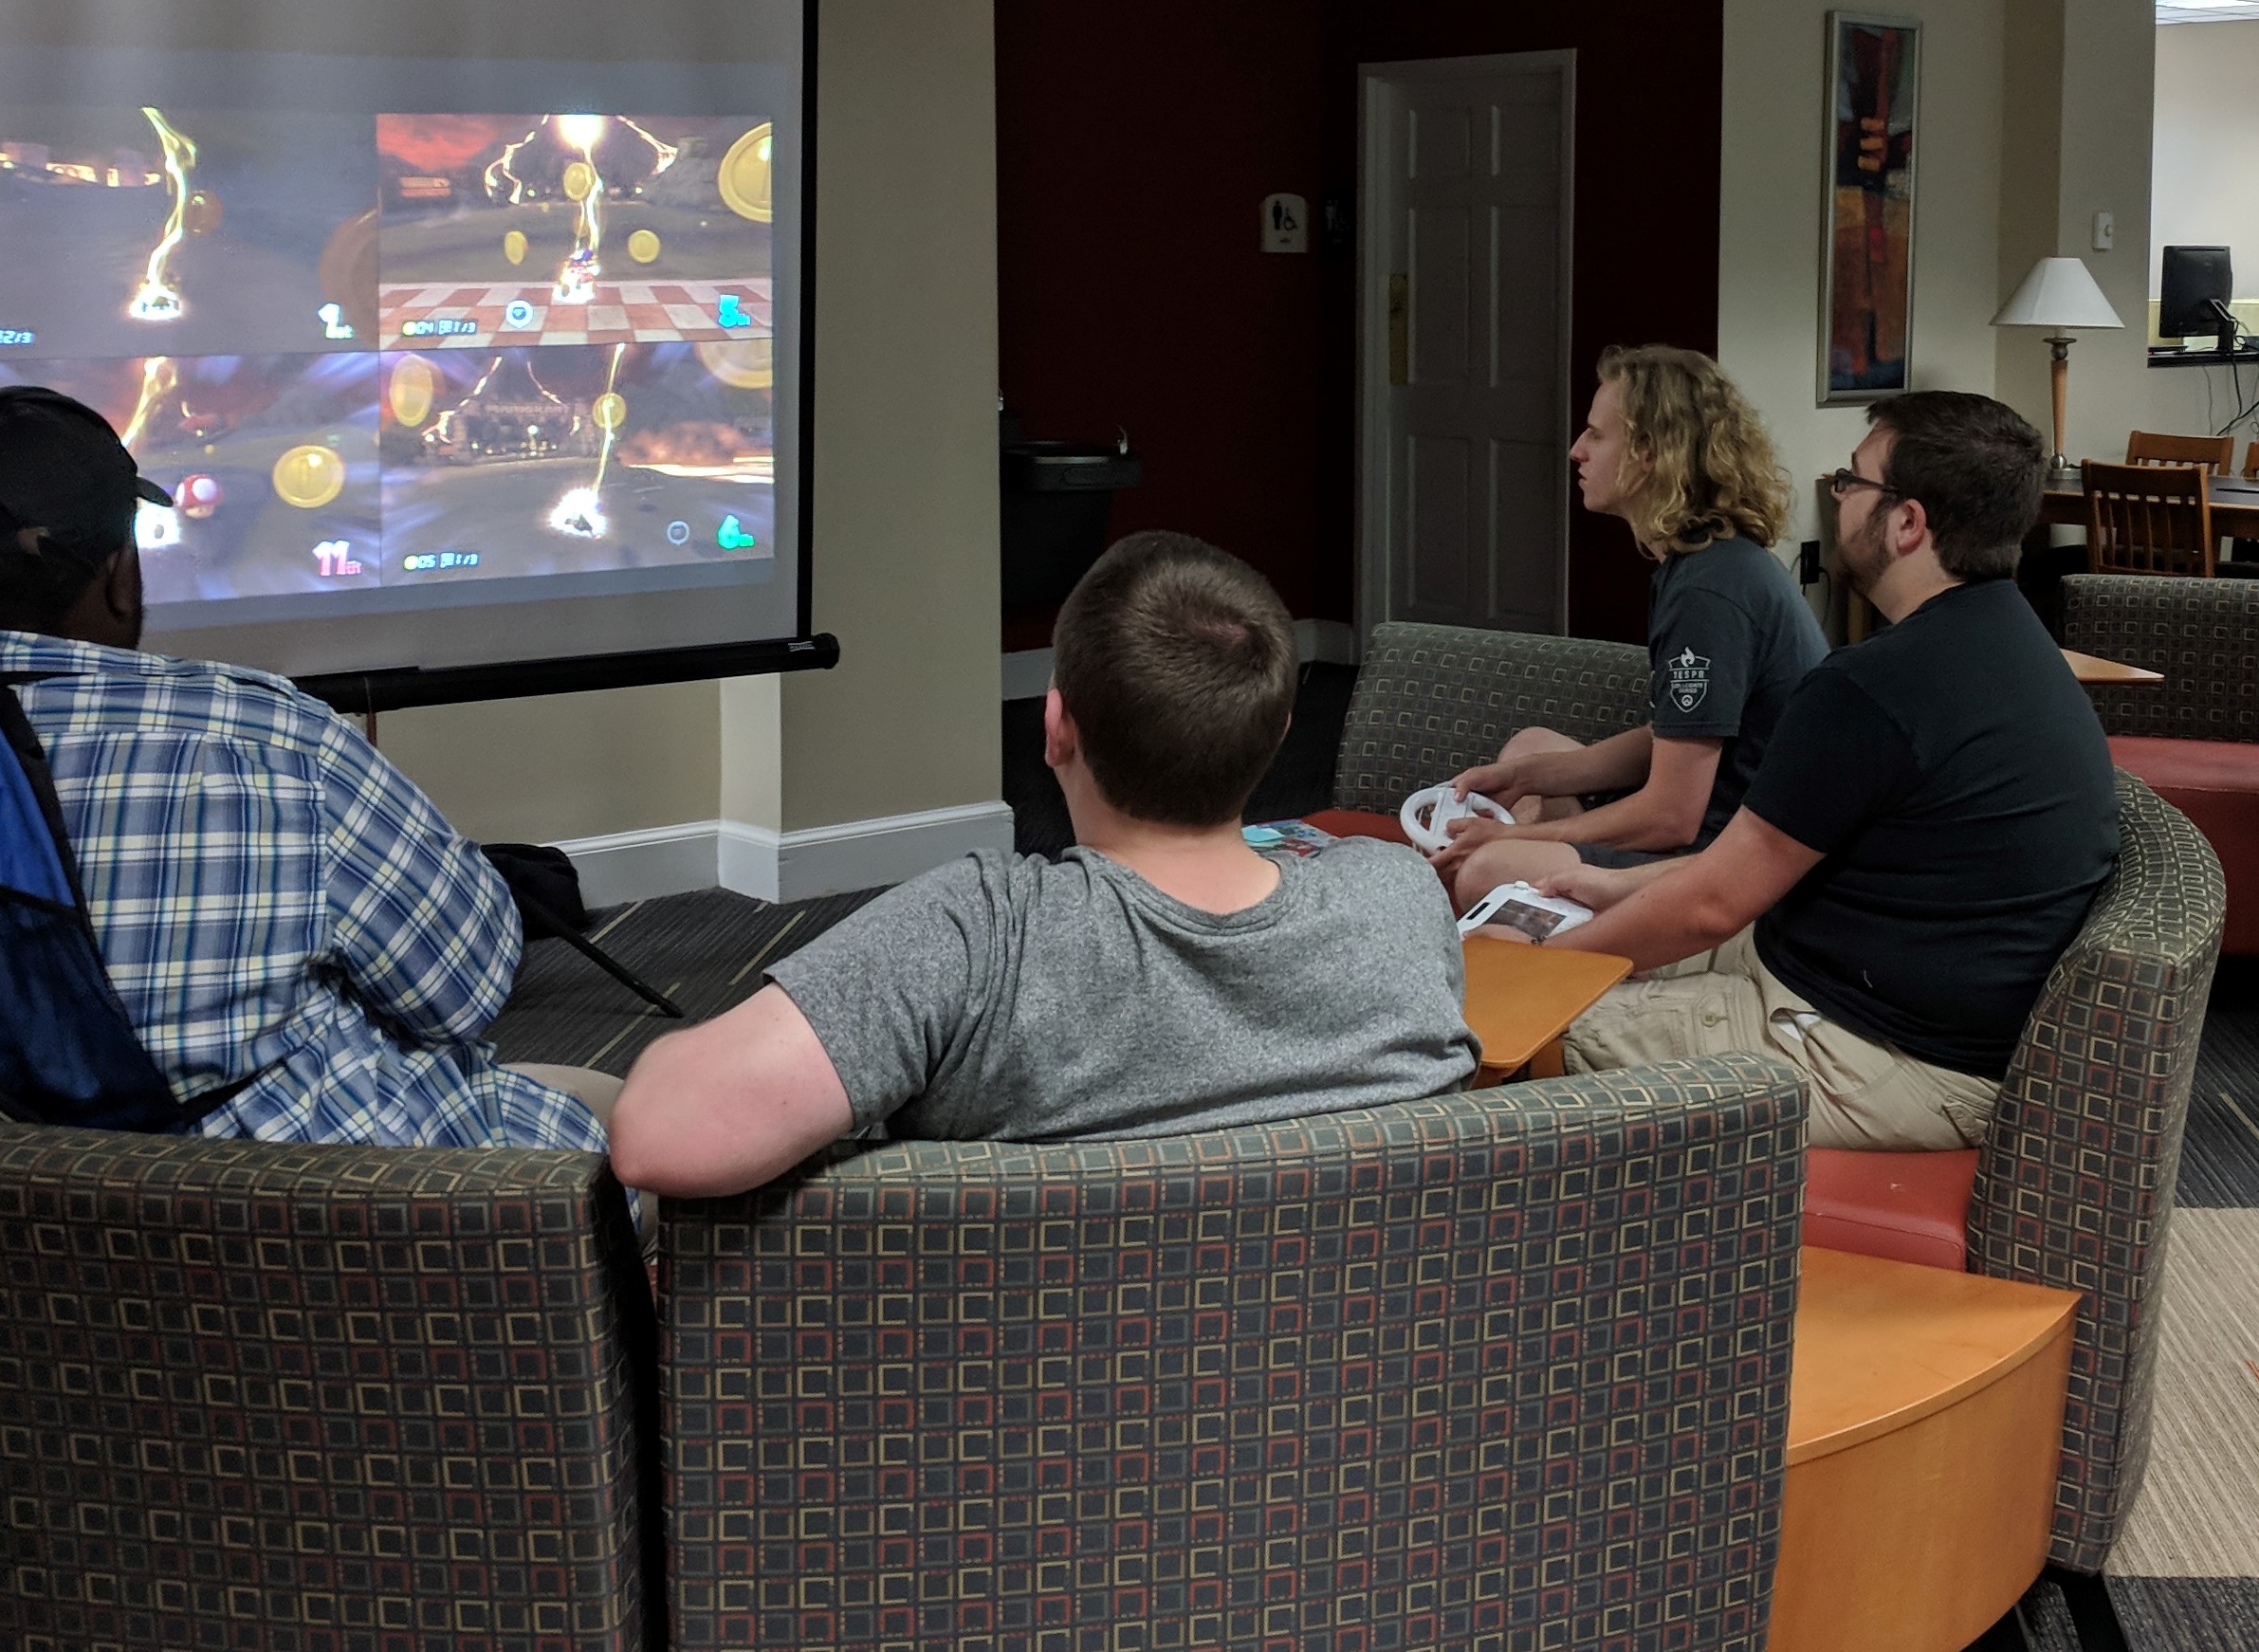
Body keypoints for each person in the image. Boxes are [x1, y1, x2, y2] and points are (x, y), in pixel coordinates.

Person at [0, 386, 608, 1153]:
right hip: (331, 1270)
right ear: (120, 573)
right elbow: (464, 986)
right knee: (638, 1109)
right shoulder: (270, 741)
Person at [606, 531, 1477, 1198]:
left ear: (1056, 726)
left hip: (1013, 1414)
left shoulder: (978, 936)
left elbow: (660, 1134)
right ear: (1280, 730)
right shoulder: (1397, 896)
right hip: (1349, 1406)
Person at [1527, 390, 2117, 1151]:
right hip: (1869, 994)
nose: (1837, 497)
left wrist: (1546, 977)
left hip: (1879, 1059)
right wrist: (1615, 886)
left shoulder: (1876, 686)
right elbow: (1752, 871)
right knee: (1556, 933)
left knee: (1511, 1024)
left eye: (1852, 480)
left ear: (1907, 523)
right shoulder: (2016, 645)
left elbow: (1712, 904)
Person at [1441, 346, 1826, 909]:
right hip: (1712, 816)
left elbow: (1672, 817)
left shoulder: (1708, 593)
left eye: (1596, 435)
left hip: (1732, 858)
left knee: (1485, 870)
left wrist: (1516, 835)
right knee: (1531, 751)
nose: (1577, 450)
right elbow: (1673, 737)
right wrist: (1528, 777)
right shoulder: (1701, 561)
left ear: (1648, 453)